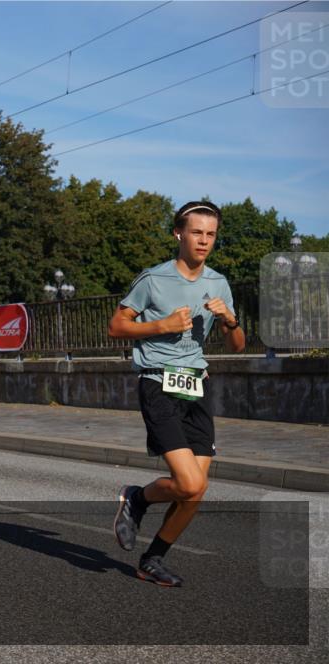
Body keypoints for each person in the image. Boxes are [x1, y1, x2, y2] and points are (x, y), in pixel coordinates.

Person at [109, 201, 246, 587]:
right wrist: (161, 326)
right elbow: (116, 327)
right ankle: (137, 499)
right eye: (197, 232)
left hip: (197, 385)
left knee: (196, 490)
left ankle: (152, 560)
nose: (204, 241)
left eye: (210, 234)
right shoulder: (153, 280)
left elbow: (236, 345)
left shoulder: (218, 282)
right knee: (187, 482)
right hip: (158, 382)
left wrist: (230, 320)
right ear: (178, 234)